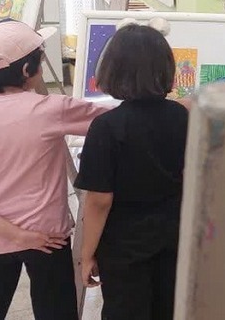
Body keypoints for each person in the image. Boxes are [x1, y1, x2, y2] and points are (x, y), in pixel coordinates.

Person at [0, 20, 110, 320]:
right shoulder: (52, 109)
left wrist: (15, 235)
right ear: (28, 70)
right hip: (47, 237)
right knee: (56, 313)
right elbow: (117, 119)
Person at [74, 23, 189, 320]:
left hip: (124, 245)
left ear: (113, 70)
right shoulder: (182, 116)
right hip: (175, 235)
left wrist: (86, 253)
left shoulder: (107, 127)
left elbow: (99, 201)